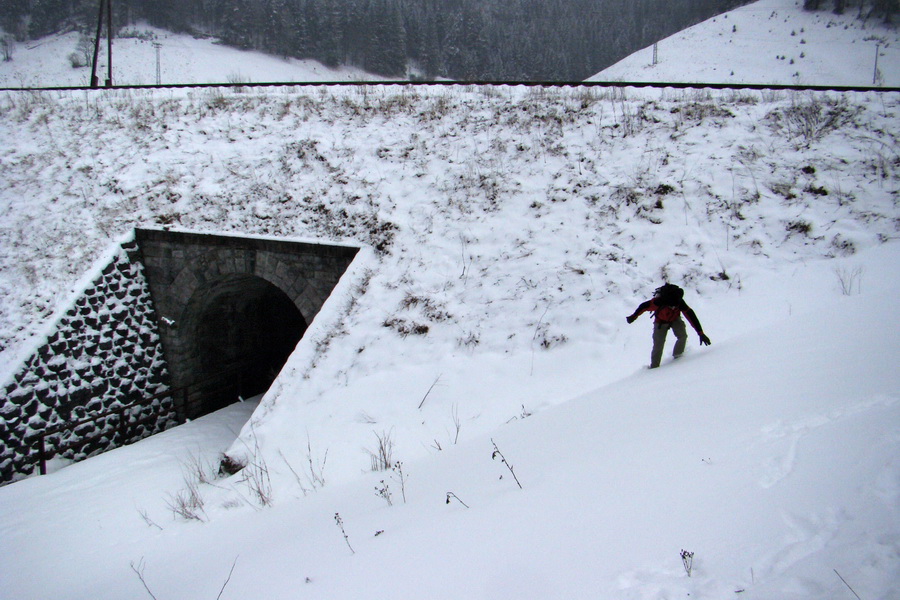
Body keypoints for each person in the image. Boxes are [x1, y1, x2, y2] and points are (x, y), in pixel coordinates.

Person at [626, 283, 711, 369]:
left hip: (675, 319)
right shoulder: (659, 302)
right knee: (658, 345)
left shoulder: (679, 302)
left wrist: (701, 333)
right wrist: (633, 316)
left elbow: (691, 317)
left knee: (682, 336)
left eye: (675, 306)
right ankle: (654, 368)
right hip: (660, 322)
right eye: (672, 306)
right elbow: (643, 306)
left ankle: (678, 358)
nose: (673, 307)